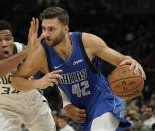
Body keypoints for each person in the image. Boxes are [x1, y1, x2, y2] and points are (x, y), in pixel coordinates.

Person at [11, 7, 146, 131]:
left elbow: (121, 59)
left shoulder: (86, 42)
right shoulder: (41, 54)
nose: (46, 34)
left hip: (104, 100)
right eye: (44, 29)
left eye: (51, 29)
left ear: (65, 29)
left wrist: (132, 61)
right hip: (83, 113)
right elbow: (16, 80)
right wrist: (39, 83)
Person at [0, 20, 56, 131]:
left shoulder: (22, 49)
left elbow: (50, 69)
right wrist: (26, 53)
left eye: (8, 39)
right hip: (3, 108)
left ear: (12, 39)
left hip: (32, 103)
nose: (4, 44)